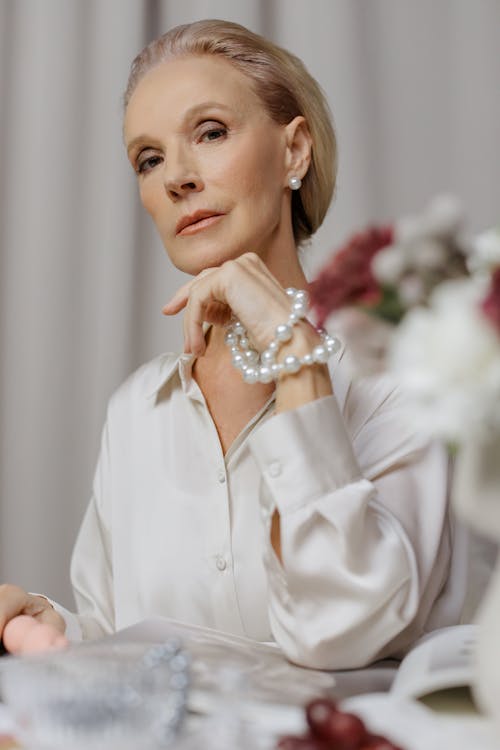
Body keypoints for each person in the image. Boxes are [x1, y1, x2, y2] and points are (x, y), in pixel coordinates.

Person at [0, 19, 467, 669]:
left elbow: (345, 632)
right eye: (149, 158)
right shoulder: (139, 409)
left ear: (294, 152)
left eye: (211, 132)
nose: (177, 178)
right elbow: (124, 645)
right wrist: (51, 629)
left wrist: (293, 357)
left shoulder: (402, 374)